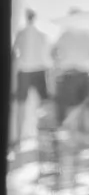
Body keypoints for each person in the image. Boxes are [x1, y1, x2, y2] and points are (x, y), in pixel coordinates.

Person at [11, 8, 50, 149]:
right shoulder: (41, 35)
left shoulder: (21, 33)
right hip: (38, 70)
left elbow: (15, 52)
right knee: (43, 105)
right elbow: (47, 55)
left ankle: (20, 138)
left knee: (22, 105)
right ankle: (44, 137)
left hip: (25, 71)